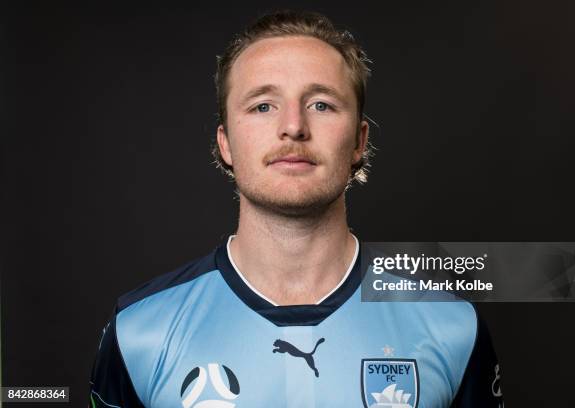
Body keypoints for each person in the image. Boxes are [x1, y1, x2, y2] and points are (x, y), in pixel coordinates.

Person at [89, 9, 503, 407]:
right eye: (262, 106)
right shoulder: (140, 331)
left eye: (321, 104)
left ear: (359, 141)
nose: (293, 126)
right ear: (226, 143)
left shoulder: (452, 328)